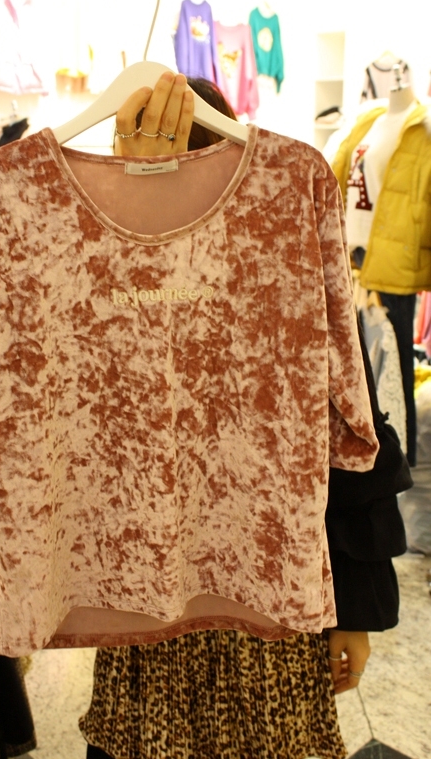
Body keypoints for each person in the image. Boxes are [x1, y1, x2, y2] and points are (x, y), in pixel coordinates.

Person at [79, 73, 407, 759]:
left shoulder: (281, 259)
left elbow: (350, 439)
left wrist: (357, 612)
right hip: (149, 612)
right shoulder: (101, 271)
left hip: (270, 614)